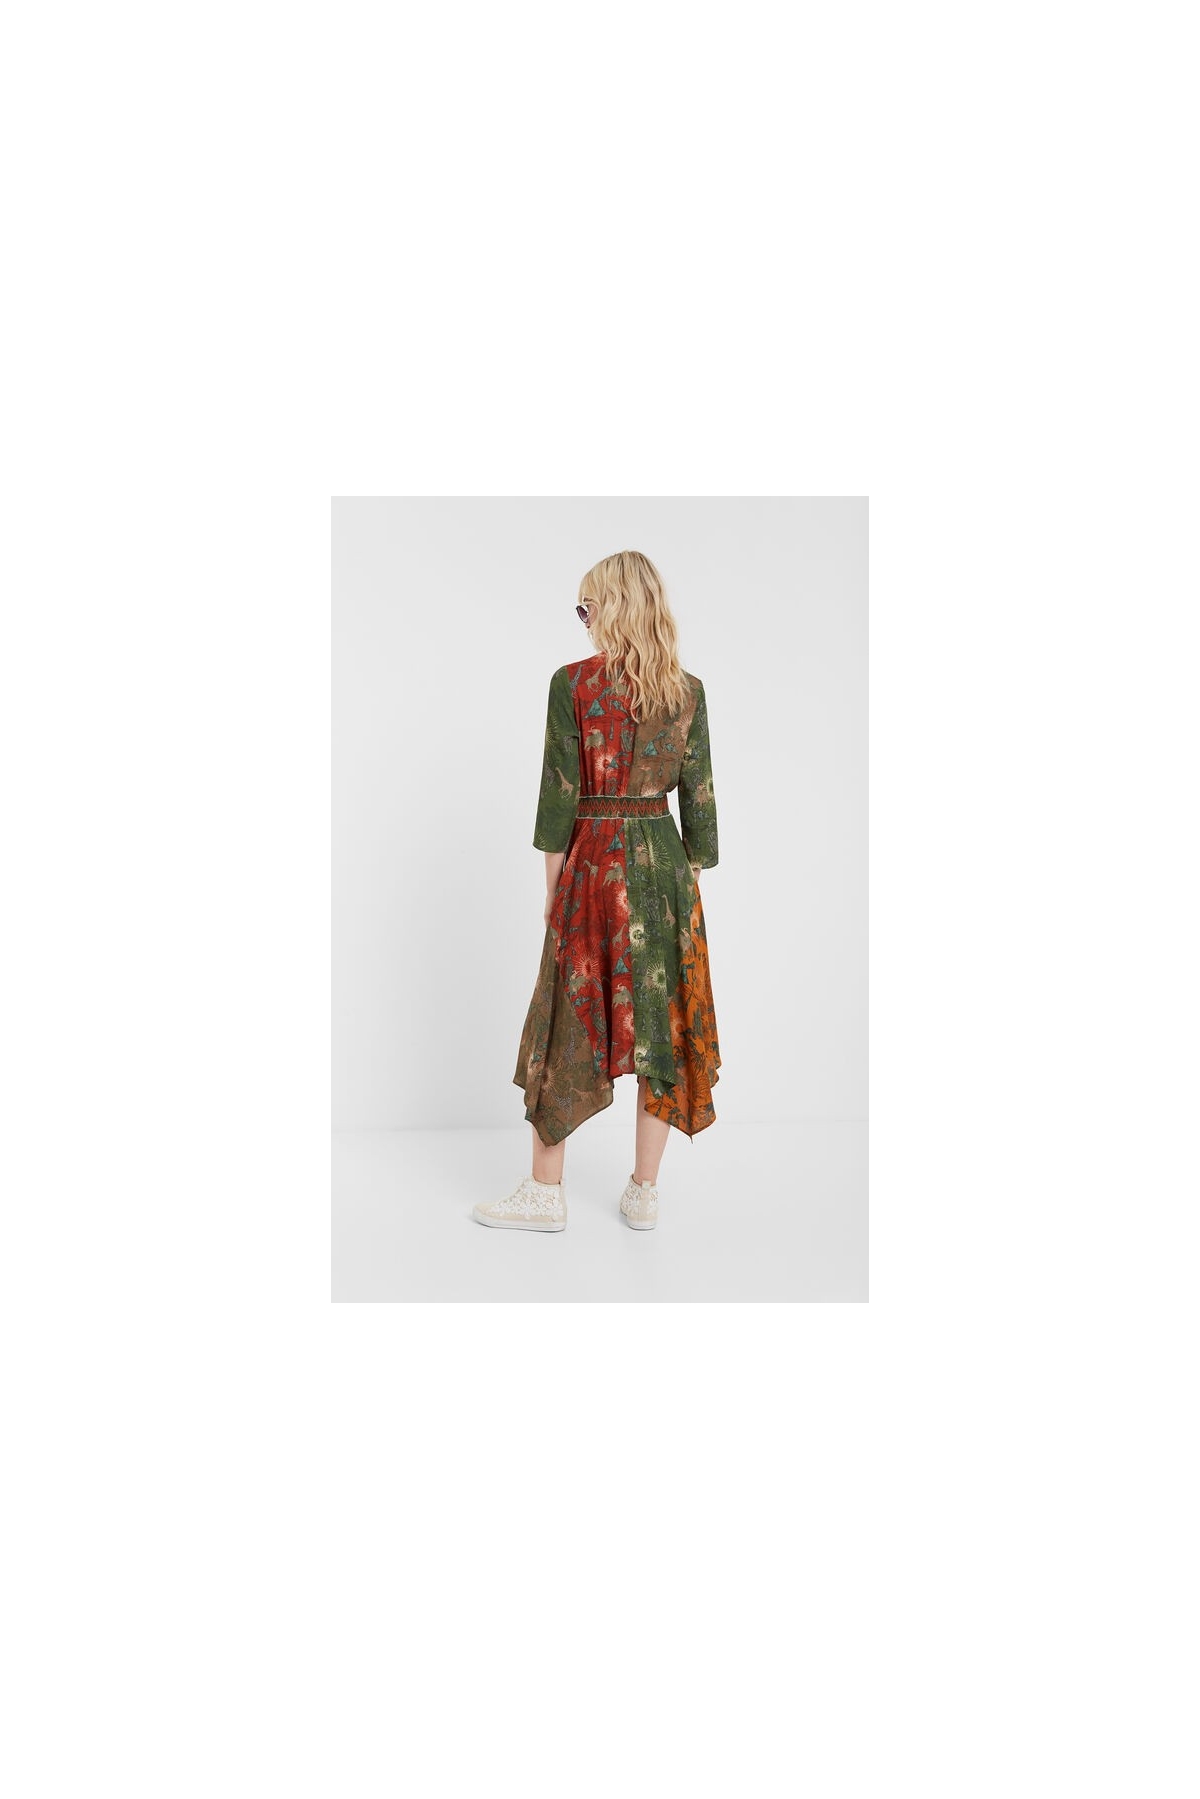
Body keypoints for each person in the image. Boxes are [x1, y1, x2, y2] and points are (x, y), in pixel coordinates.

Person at [473, 550, 721, 1234]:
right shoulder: (688, 692)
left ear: (612, 608)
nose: (583, 621)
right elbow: (700, 813)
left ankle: (544, 1193)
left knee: (564, 1018)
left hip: (591, 867)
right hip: (665, 876)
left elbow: (558, 800)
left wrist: (555, 895)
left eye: (587, 607)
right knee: (659, 1027)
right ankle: (644, 1192)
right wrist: (680, 891)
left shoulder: (573, 685)